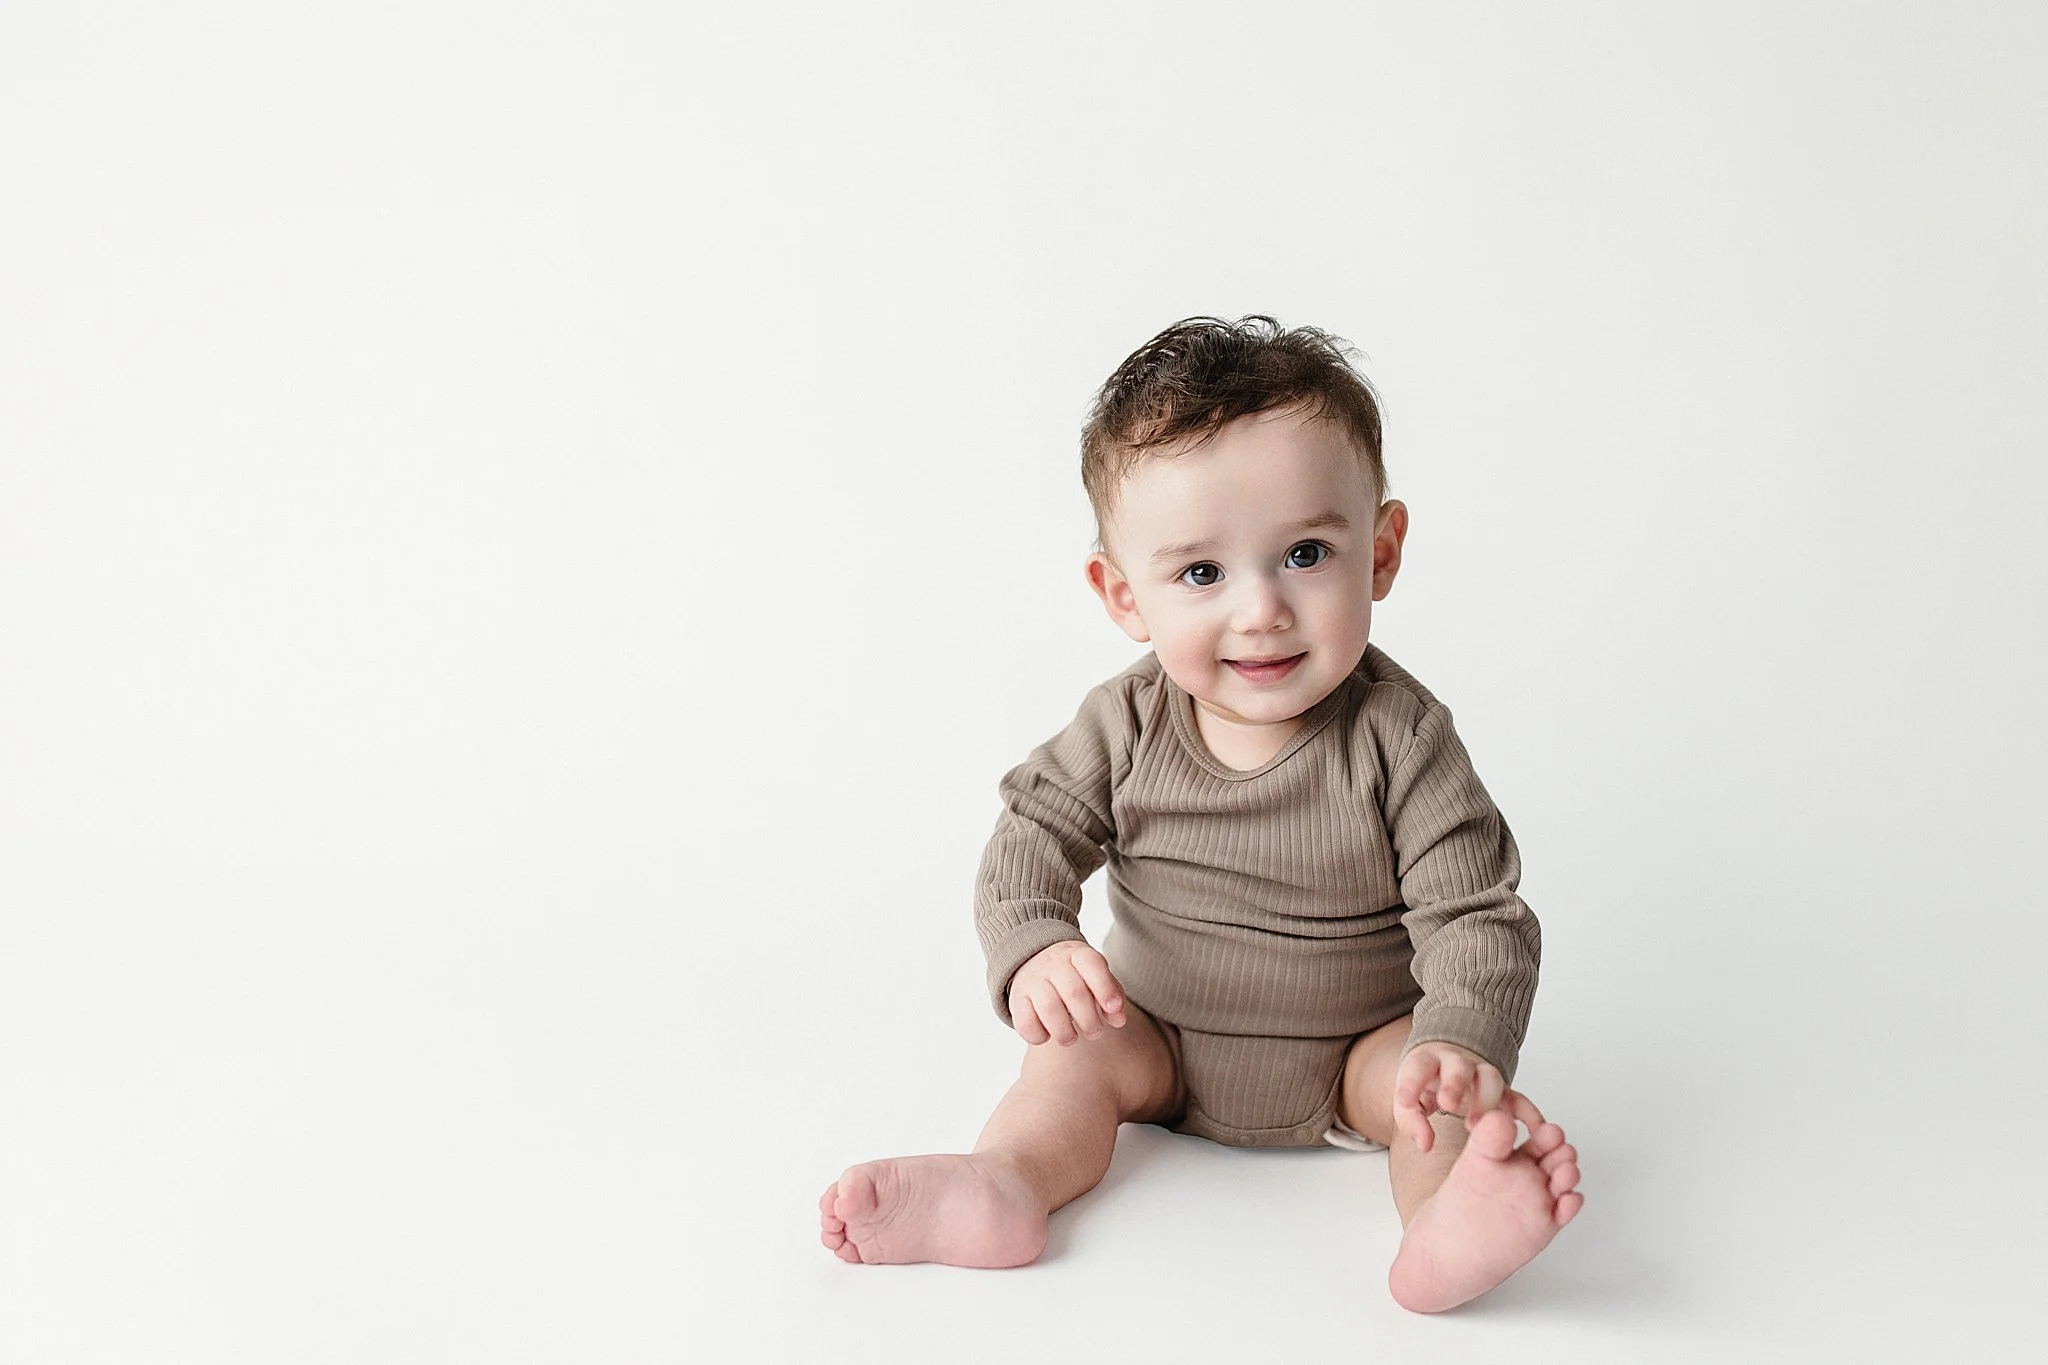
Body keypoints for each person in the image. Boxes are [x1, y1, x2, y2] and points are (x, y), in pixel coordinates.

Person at [817, 315, 1583, 1312]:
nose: (1259, 609)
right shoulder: (1123, 722)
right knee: (1067, 1062)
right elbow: (1028, 838)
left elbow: (1476, 915)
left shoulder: (1402, 738)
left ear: (1382, 552)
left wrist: (1459, 1040)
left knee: (1425, 1097)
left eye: (1305, 553)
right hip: (1157, 1042)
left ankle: (1442, 1227)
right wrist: (1035, 941)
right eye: (1200, 573)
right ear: (1121, 593)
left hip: (1353, 1053)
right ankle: (1003, 1185)